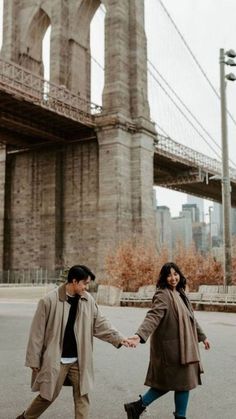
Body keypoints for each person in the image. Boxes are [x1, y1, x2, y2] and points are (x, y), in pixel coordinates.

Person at [16, 264, 129, 419]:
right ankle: (26, 417)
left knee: (83, 395)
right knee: (47, 395)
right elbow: (37, 334)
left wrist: (120, 338)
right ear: (74, 281)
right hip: (56, 359)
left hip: (79, 359)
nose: (87, 287)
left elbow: (100, 323)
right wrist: (34, 360)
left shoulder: (87, 300)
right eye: (85, 283)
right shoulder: (49, 301)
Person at [124, 262, 210, 419]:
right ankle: (176, 415)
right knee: (179, 383)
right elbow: (153, 315)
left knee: (178, 383)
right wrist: (139, 335)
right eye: (169, 275)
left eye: (175, 273)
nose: (173, 278)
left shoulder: (180, 293)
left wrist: (202, 337)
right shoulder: (163, 294)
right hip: (171, 350)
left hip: (184, 348)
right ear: (164, 278)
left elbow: (191, 318)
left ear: (179, 274)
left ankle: (137, 407)